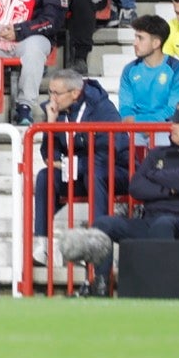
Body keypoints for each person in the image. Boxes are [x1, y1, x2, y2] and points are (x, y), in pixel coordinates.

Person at [62, 102, 179, 298]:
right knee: (103, 224)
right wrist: (170, 190)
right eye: (172, 122)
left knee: (164, 224)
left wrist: (157, 176)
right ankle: (100, 286)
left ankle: (162, 290)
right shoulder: (157, 153)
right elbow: (136, 187)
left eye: (178, 123)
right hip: (150, 220)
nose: (172, 127)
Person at [29, 68, 129, 264]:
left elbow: (108, 153)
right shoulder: (55, 111)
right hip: (79, 172)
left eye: (56, 93)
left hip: (116, 171)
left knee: (94, 173)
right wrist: (50, 124)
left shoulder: (102, 109)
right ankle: (43, 245)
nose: (51, 98)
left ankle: (97, 242)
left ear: (74, 93)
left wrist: (68, 164)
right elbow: (49, 157)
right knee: (45, 176)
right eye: (49, 92)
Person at [117, 16, 179, 124]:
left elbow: (174, 110)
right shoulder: (129, 70)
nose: (135, 43)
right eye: (135, 37)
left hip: (165, 128)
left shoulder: (178, 70)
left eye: (140, 38)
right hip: (134, 129)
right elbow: (126, 107)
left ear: (156, 43)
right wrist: (132, 121)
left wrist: (138, 121)